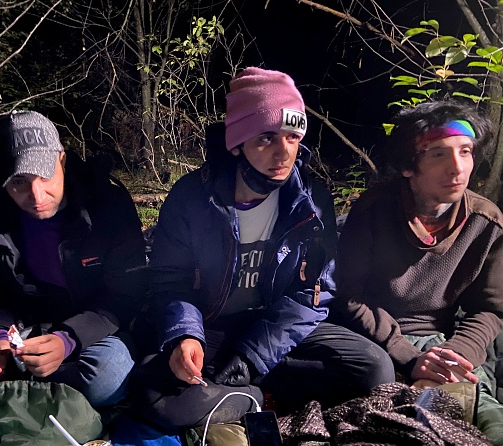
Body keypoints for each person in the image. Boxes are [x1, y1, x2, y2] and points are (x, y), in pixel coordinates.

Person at [130, 67, 395, 431]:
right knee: (154, 398)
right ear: (237, 142)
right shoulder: (193, 197)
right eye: (266, 138)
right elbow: (168, 281)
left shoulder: (312, 200)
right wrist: (185, 334)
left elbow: (313, 293)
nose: (283, 152)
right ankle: (254, 396)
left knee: (374, 368)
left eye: (292, 136)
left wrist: (253, 356)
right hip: (212, 325)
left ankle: (242, 387)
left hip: (274, 322)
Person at [0, 110, 147, 407]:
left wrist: (67, 340)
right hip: (20, 325)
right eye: (19, 182)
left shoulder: (107, 206)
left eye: (45, 175)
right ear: (1, 180)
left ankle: (1, 385)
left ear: (61, 160)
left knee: (107, 377)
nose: (36, 195)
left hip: (90, 329)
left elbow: (125, 296)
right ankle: (16, 377)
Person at [332, 100, 503, 443]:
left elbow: (490, 307)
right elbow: (347, 297)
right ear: (410, 166)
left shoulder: (486, 222)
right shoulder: (374, 210)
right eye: (438, 154)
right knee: (407, 424)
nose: (457, 168)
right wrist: (410, 357)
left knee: (488, 419)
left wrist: (458, 353)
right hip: (380, 339)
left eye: (466, 151)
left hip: (447, 342)